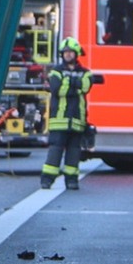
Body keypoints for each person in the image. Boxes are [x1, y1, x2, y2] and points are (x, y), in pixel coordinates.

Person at [41, 38, 101, 191]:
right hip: (59, 120)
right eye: (65, 52)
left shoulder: (85, 72)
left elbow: (86, 86)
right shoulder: (56, 71)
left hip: (77, 120)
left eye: (70, 52)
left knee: (74, 152)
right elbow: (57, 90)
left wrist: (67, 82)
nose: (68, 55)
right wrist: (75, 85)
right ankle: (47, 179)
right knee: (55, 150)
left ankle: (72, 180)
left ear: (76, 54)